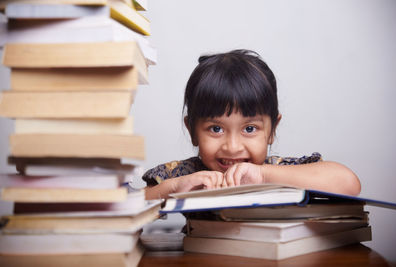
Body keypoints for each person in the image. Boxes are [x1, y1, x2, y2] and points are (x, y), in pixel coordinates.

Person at [143, 49, 361, 200]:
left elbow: (348, 183)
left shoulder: (278, 171)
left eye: (249, 129)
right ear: (192, 130)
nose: (233, 146)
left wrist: (264, 176)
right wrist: (173, 188)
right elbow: (130, 205)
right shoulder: (188, 175)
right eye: (216, 129)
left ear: (272, 130)